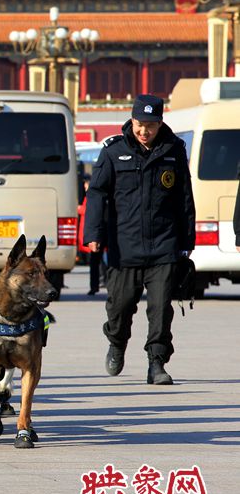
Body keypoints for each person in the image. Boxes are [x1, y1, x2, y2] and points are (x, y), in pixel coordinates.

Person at [84, 95, 195, 386]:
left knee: (161, 310)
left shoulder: (173, 150)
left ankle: (156, 363)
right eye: (139, 124)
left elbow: (184, 197)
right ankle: (117, 342)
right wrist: (93, 233)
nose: (144, 131)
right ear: (132, 121)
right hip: (125, 246)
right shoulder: (113, 151)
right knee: (119, 307)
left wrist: (187, 240)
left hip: (164, 245)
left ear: (160, 123)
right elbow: (97, 193)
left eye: (150, 125)